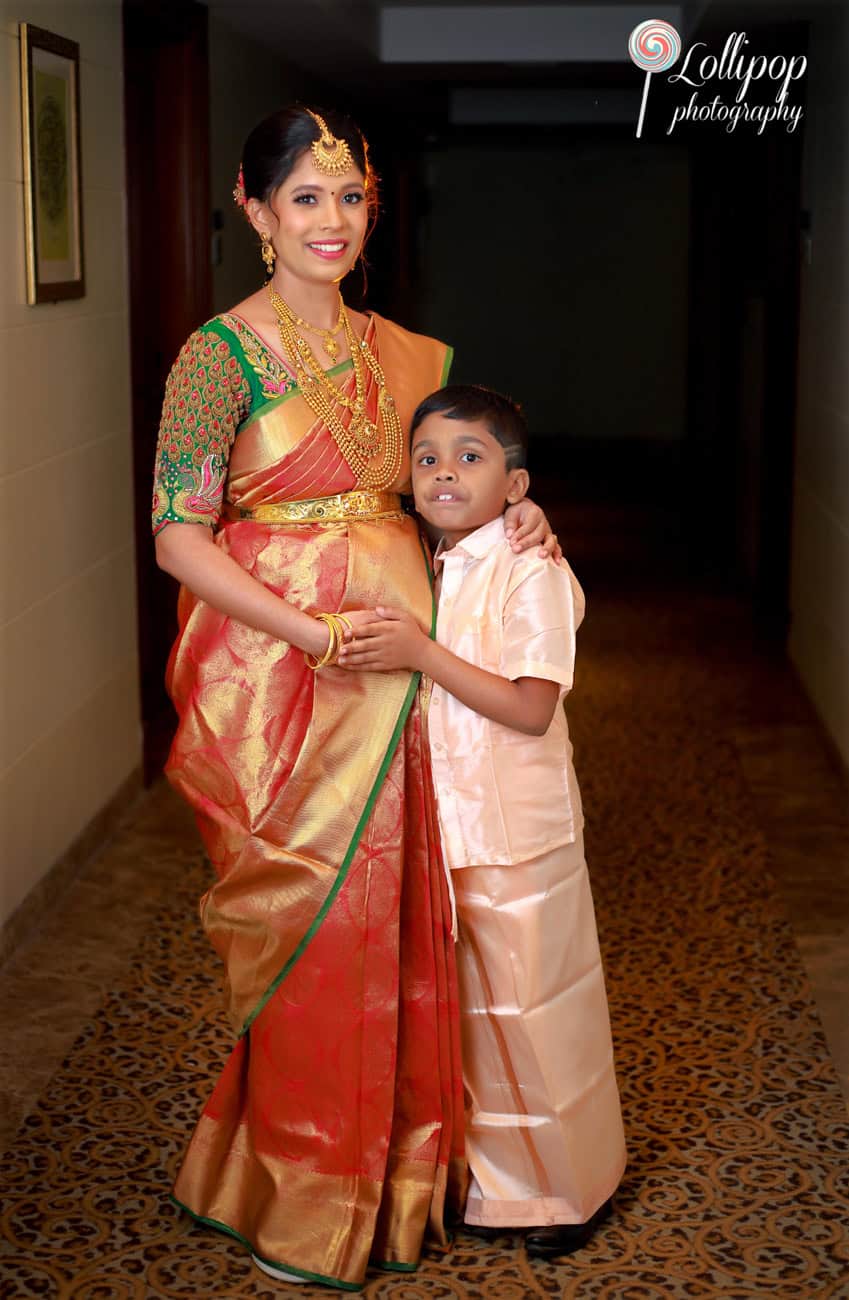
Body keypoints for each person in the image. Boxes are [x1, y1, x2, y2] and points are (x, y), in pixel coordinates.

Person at [152, 107, 557, 1290]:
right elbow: (179, 537)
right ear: (254, 208)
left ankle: (403, 1183)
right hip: (277, 682)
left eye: (351, 197)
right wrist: (316, 634)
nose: (332, 221)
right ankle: (298, 1194)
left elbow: (449, 486)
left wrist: (518, 512)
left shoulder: (412, 356)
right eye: (307, 198)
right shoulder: (214, 358)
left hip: (405, 684)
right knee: (314, 932)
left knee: (404, 920)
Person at [338, 384, 627, 1260]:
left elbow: (531, 708)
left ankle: (571, 1192)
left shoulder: (531, 568)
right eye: (426, 459)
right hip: (450, 823)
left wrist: (423, 654)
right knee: (476, 1017)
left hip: (517, 830)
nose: (443, 474)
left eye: (470, 458)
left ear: (517, 485)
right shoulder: (429, 557)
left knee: (538, 1011)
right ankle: (499, 1186)